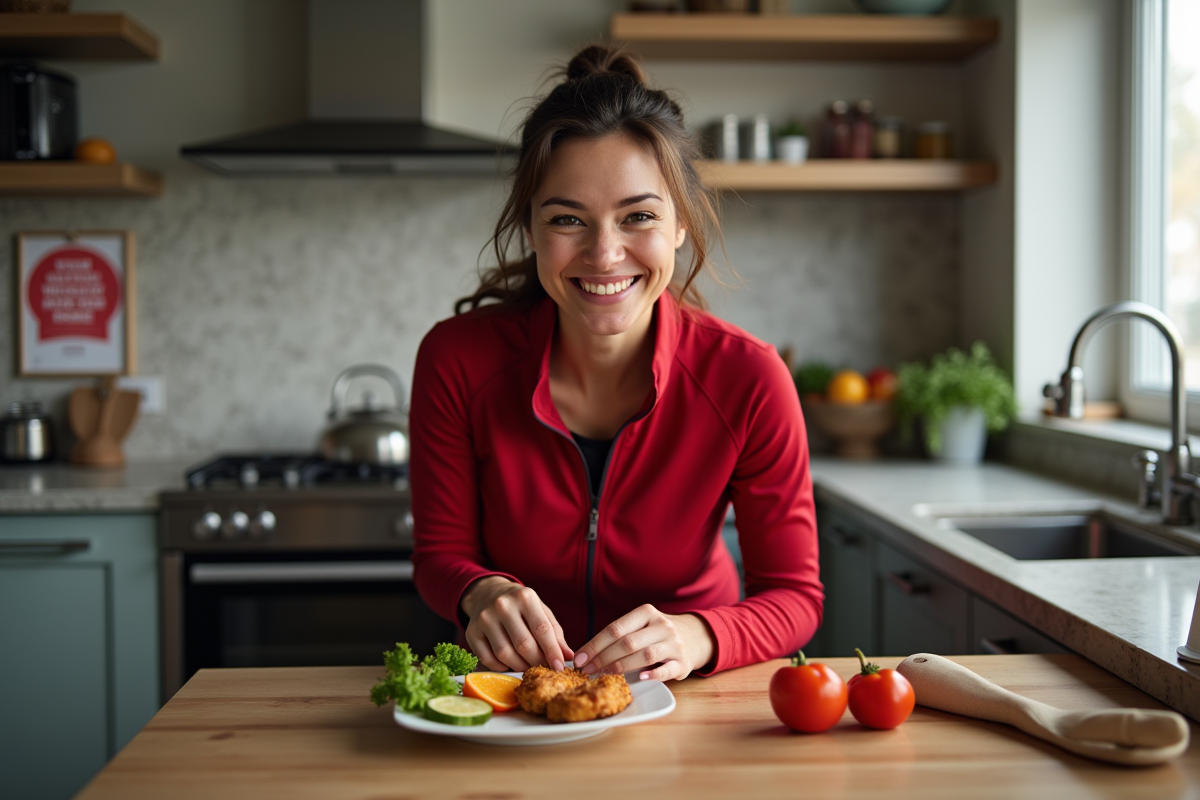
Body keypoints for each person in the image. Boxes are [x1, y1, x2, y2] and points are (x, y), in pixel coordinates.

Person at [410, 44, 822, 683]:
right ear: (531, 228)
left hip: (686, 700)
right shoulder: (455, 359)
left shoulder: (750, 378)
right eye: (569, 218)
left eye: (639, 217)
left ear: (680, 224)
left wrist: (700, 635)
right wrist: (479, 591)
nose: (605, 255)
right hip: (512, 695)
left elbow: (795, 596)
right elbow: (441, 555)